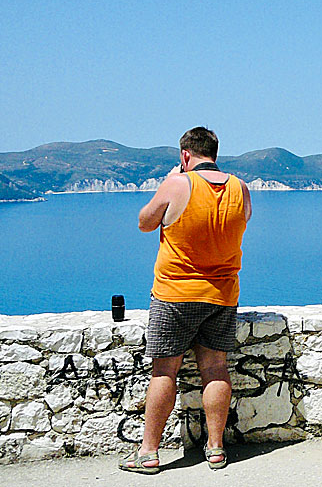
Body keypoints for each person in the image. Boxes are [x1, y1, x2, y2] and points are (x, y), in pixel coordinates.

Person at [120, 126, 252, 473]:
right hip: (222, 294)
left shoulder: (178, 183)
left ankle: (148, 453)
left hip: (175, 293)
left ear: (185, 155)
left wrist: (168, 182)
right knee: (215, 368)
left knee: (165, 370)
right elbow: (242, 222)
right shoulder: (241, 188)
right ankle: (215, 448)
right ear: (215, 153)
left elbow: (144, 222)